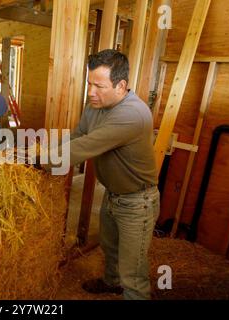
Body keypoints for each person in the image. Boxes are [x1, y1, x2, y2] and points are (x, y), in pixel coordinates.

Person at [47, 49, 159, 300]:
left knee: (134, 271)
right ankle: (111, 283)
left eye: (99, 85)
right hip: (112, 195)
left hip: (137, 202)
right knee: (110, 249)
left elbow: (83, 148)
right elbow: (77, 136)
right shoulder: (95, 106)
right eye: (89, 83)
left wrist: (36, 162)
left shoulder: (132, 115)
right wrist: (46, 152)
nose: (90, 92)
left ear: (121, 85)